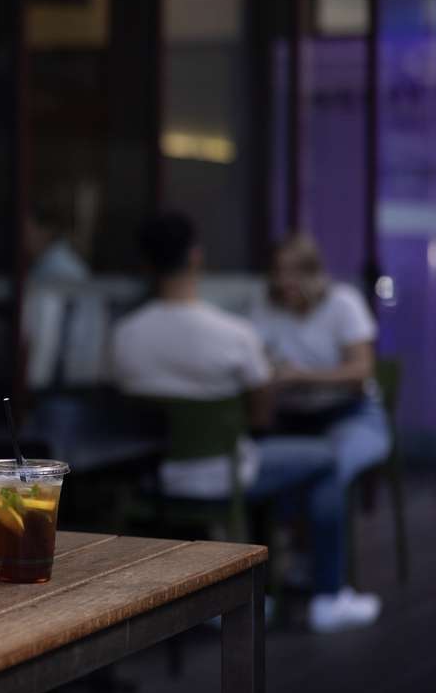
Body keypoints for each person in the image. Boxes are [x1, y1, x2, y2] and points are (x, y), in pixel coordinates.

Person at [109, 213, 380, 633]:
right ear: (196, 259)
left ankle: (267, 584)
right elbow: (260, 415)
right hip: (226, 474)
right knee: (323, 461)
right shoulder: (232, 334)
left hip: (153, 476)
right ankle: (323, 594)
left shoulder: (123, 336)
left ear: (144, 266)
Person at [251, 233, 392, 496]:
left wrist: (301, 376)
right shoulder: (267, 305)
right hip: (292, 419)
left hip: (351, 414)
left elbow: (362, 371)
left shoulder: (343, 303)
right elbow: (257, 359)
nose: (284, 282)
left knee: (329, 473)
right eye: (278, 272)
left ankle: (311, 536)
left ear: (314, 273)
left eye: (293, 273)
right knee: (255, 468)